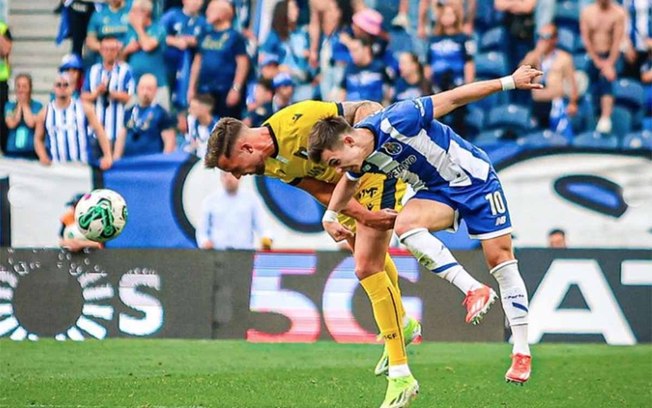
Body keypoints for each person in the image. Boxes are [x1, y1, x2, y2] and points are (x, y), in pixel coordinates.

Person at [204, 97, 491, 396]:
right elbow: (318, 188)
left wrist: (371, 140)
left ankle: (401, 374)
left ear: (245, 148)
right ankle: (402, 324)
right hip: (347, 188)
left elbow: (364, 106)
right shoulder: (267, 164)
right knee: (365, 257)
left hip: (374, 174)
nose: (237, 175)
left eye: (233, 168)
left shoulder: (298, 121)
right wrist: (362, 215)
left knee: (367, 267)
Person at [307, 66, 544, 403]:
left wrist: (510, 82)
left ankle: (521, 350)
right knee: (405, 226)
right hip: (435, 190)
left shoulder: (398, 119)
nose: (337, 170)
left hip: (475, 180)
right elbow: (350, 181)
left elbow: (455, 97)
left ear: (348, 140)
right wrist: (330, 215)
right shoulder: (358, 158)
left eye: (334, 161)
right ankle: (473, 289)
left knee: (501, 261)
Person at [34, 74, 113, 170]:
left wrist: (107, 155)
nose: (62, 88)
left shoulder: (84, 108)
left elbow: (99, 130)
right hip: (57, 168)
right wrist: (43, 156)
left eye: (66, 85)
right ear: (54, 88)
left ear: (72, 87)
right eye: (59, 85)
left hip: (82, 167)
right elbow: (38, 139)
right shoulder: (45, 113)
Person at [188, 0, 250, 118]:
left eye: (211, 10)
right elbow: (197, 62)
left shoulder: (235, 37)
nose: (206, 12)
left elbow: (243, 64)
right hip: (204, 89)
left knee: (225, 128)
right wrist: (191, 88)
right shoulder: (205, 34)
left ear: (223, 14)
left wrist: (236, 88)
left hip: (225, 90)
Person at [521, 23, 578, 136]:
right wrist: (536, 53)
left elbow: (572, 83)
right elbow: (520, 71)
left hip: (555, 104)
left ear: (554, 39)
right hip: (537, 104)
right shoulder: (535, 56)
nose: (542, 41)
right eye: (539, 37)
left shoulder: (564, 58)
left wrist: (573, 102)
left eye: (546, 37)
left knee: (558, 138)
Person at [580, 0, 626, 134]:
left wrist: (609, 63)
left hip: (612, 56)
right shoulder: (588, 12)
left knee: (607, 78)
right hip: (594, 56)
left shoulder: (618, 13)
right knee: (593, 84)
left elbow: (617, 41)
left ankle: (605, 118)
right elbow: (586, 40)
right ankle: (595, 116)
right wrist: (597, 61)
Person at [196, 171, 273, 250]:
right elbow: (202, 230)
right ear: (220, 178)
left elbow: (263, 226)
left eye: (232, 175)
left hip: (244, 253)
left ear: (240, 177)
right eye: (225, 175)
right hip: (217, 253)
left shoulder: (251, 199)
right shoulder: (211, 201)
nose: (229, 179)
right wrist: (204, 242)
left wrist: (266, 240)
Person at [82, 36, 135, 146]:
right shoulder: (93, 70)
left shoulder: (126, 70)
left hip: (119, 131)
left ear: (117, 51)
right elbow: (84, 97)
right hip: (96, 131)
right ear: (101, 51)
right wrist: (97, 93)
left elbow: (131, 98)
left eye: (112, 50)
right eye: (106, 49)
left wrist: (111, 93)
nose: (109, 53)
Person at [113, 74, 176, 159]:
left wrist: (163, 165)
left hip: (150, 164)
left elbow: (169, 143)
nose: (145, 92)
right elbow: (121, 138)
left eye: (149, 89)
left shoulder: (163, 114)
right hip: (129, 162)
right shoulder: (129, 111)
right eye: (142, 88)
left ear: (155, 91)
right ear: (137, 89)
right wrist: (116, 158)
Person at [122, 0, 170, 110]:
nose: (130, 14)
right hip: (135, 87)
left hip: (158, 86)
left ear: (145, 13)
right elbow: (120, 59)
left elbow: (147, 46)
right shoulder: (130, 31)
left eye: (134, 11)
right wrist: (127, 50)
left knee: (161, 122)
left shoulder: (158, 28)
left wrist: (139, 27)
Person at [160, 0, 206, 111]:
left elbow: (206, 40)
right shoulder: (172, 15)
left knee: (186, 96)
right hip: (169, 64)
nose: (196, 2)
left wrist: (194, 41)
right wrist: (174, 41)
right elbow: (159, 34)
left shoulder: (203, 21)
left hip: (191, 65)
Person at [4, 74, 43, 160]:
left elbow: (31, 123)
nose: (21, 90)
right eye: (18, 86)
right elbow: (11, 124)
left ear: (30, 89)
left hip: (31, 151)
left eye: (24, 86)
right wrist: (19, 106)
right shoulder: (9, 106)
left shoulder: (38, 106)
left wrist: (24, 105)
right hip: (12, 151)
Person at [339, 38, 390, 103]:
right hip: (353, 109)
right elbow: (342, 91)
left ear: (366, 49)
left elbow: (388, 92)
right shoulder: (349, 68)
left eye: (355, 50)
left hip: (375, 109)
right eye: (350, 51)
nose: (352, 54)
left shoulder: (379, 67)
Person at [186, 93, 219, 159]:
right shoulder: (191, 121)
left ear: (206, 109)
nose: (189, 110)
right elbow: (190, 143)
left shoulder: (218, 126)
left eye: (193, 108)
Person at [0, 20, 12, 155]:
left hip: (1, 80)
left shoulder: (2, 28)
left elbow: (6, 50)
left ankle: (4, 148)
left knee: (1, 119)